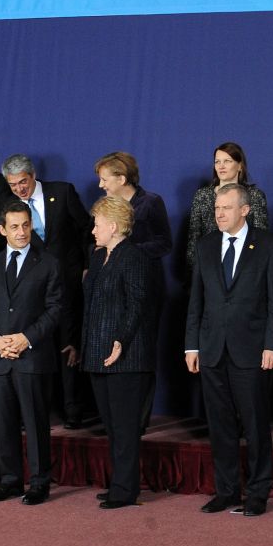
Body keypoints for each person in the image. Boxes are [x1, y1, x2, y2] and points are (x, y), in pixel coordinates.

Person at [185, 183, 273, 517]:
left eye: (226, 208)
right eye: (217, 208)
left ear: (245, 210)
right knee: (220, 424)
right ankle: (226, 490)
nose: (219, 214)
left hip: (253, 350)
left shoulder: (269, 245)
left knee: (255, 424)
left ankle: (258, 491)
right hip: (213, 349)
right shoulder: (206, 245)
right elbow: (196, 301)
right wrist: (192, 345)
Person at [0, 200, 65, 506]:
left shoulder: (49, 263)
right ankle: (10, 481)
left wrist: (26, 338)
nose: (21, 232)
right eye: (14, 227)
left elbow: (55, 309)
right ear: (2, 230)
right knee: (3, 423)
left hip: (33, 357)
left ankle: (39, 482)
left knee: (36, 422)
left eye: (26, 225)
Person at [0, 153, 93, 427]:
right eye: (13, 184)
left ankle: (73, 408)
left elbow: (86, 230)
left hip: (67, 282)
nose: (19, 189)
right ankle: (37, 409)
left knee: (68, 345)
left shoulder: (62, 192)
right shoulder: (9, 206)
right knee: (34, 344)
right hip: (31, 288)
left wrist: (87, 266)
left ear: (33, 174)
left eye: (23, 182)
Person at [80, 197, 157, 510]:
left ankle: (125, 490)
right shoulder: (98, 257)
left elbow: (137, 305)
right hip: (98, 352)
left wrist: (121, 340)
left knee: (125, 427)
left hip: (126, 356)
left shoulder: (135, 257)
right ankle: (120, 483)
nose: (93, 230)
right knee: (112, 425)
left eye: (97, 224)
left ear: (113, 226)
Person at [96, 151, 174, 432]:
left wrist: (128, 252)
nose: (101, 185)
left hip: (145, 288)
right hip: (111, 293)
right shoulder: (104, 206)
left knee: (141, 352)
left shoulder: (151, 202)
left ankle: (138, 420)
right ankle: (116, 417)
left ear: (122, 178)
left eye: (105, 179)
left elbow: (165, 243)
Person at [183, 141, 270, 275]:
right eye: (217, 162)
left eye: (227, 161)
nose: (221, 166)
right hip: (208, 269)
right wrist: (196, 273)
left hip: (244, 270)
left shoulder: (254, 196)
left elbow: (260, 237)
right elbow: (194, 239)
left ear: (240, 166)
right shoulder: (202, 195)